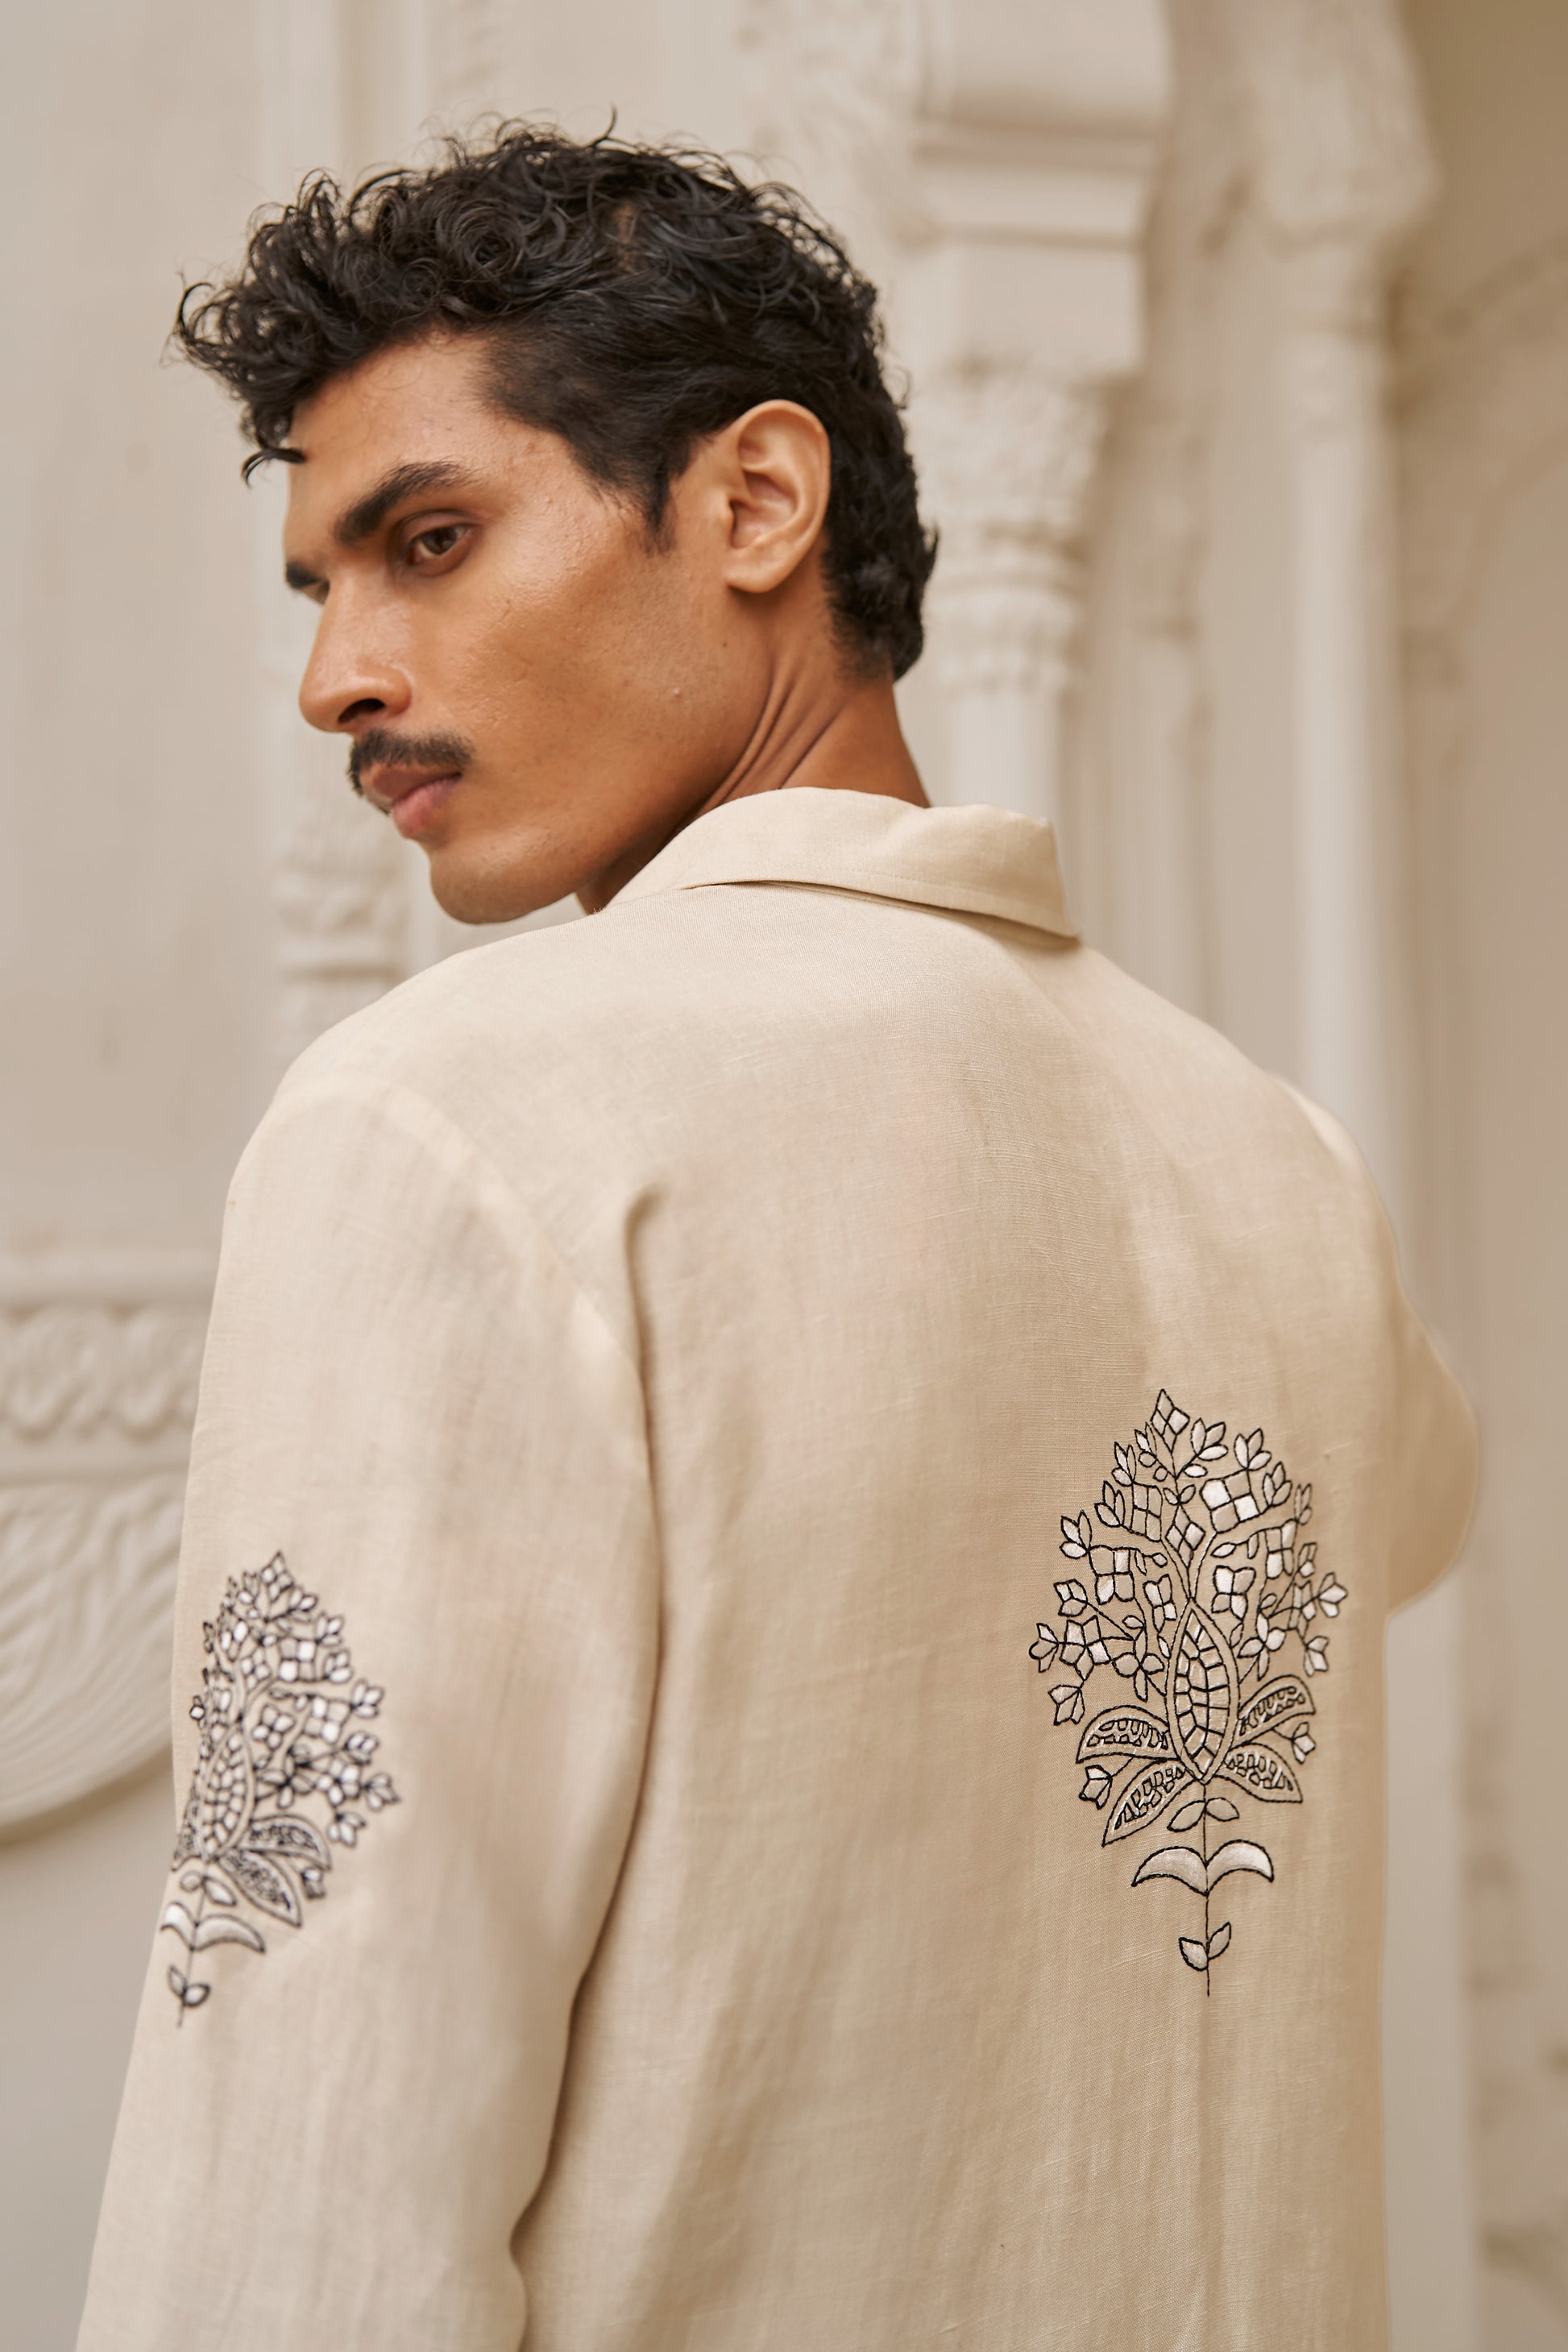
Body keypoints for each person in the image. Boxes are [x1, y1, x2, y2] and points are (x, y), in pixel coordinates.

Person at [79, 127, 1475, 2352]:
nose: (338, 678)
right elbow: (1417, 1510)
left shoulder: (453, 1123)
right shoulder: (1270, 1154)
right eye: (319, 591)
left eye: (427, 542)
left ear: (753, 502)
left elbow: (304, 2177)